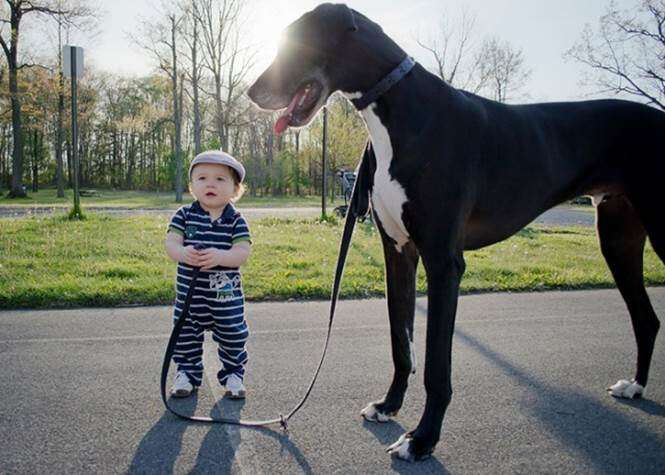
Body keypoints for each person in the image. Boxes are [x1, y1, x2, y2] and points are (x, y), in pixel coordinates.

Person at [164, 150, 251, 399]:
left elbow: (242, 252)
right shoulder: (184, 215)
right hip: (191, 298)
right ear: (192, 186)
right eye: (202, 178)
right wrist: (182, 253)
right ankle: (187, 374)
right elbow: (171, 245)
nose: (210, 184)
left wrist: (221, 257)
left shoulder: (236, 220)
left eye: (220, 179)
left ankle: (233, 374)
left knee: (233, 334)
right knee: (185, 336)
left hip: (226, 299)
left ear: (235, 189)